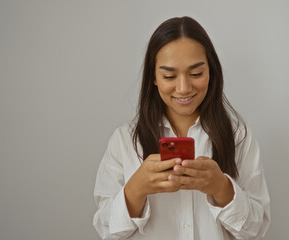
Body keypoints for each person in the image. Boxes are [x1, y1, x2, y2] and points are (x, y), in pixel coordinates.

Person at [93, 16, 270, 240]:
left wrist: (222, 189)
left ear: (211, 72)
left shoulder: (238, 137)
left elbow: (257, 230)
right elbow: (106, 230)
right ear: (153, 78)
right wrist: (136, 188)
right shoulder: (124, 141)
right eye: (169, 76)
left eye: (196, 73)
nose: (184, 88)